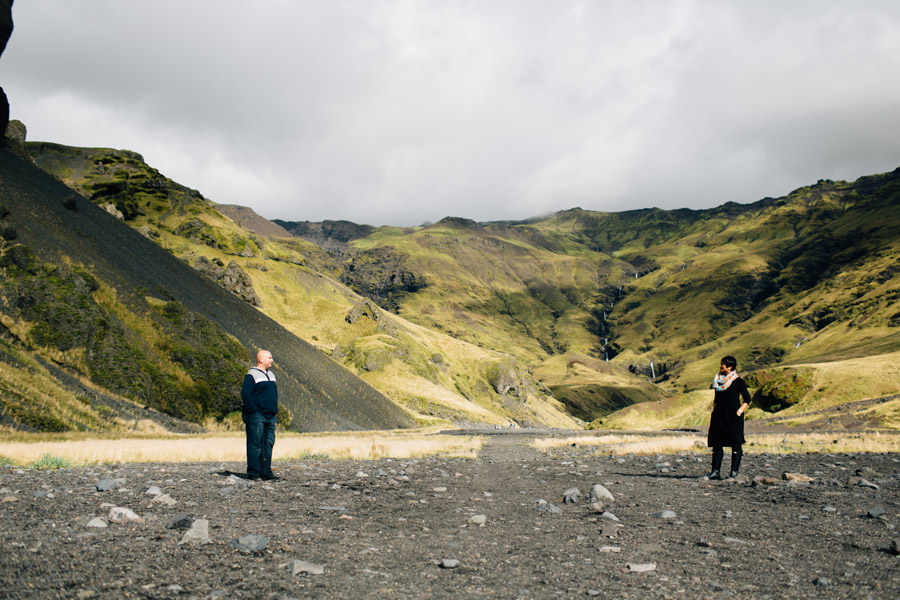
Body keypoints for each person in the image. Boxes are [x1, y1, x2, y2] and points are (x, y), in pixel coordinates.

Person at [705, 355, 751, 480]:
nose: (721, 366)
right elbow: (716, 398)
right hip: (719, 415)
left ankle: (734, 472)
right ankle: (715, 471)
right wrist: (713, 412)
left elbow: (747, 399)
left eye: (723, 364)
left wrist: (739, 411)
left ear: (730, 367)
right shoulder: (718, 381)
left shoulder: (738, 381)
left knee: (735, 443)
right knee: (717, 443)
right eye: (721, 363)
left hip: (733, 417)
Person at [241, 349, 281, 481]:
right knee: (255, 444)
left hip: (270, 415)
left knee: (268, 444)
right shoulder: (251, 375)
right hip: (257, 415)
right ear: (261, 359)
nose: (272, 360)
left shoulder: (272, 375)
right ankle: (254, 472)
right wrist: (253, 411)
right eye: (269, 358)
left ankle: (266, 472)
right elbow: (246, 394)